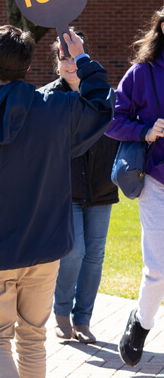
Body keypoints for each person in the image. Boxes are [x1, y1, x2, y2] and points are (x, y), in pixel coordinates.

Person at [0, 26, 114, 378]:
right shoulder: (57, 110)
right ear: (28, 67)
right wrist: (81, 57)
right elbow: (101, 104)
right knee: (32, 338)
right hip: (44, 249)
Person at [41, 32, 119, 344]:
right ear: (56, 63)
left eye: (74, 56)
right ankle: (61, 313)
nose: (69, 63)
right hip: (64, 189)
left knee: (95, 255)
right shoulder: (46, 98)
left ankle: (83, 319)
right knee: (73, 252)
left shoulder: (103, 93)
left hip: (101, 185)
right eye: (63, 58)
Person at [106, 6, 164, 367]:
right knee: (158, 266)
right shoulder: (141, 73)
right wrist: (145, 131)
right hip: (156, 181)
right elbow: (114, 122)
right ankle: (141, 324)